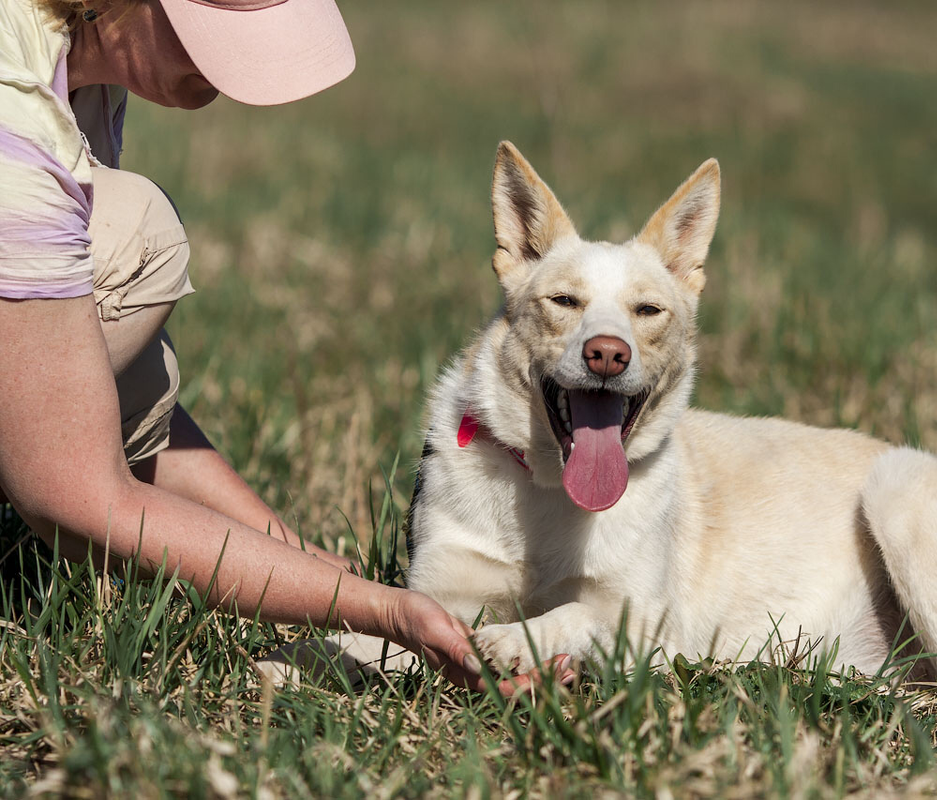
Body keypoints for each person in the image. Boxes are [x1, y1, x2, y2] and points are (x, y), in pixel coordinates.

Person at [0, 0, 570, 693]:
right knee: (138, 238)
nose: (229, 82)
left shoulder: (88, 63)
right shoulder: (16, 107)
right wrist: (385, 611)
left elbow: (88, 386)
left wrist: (301, 559)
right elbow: (77, 494)